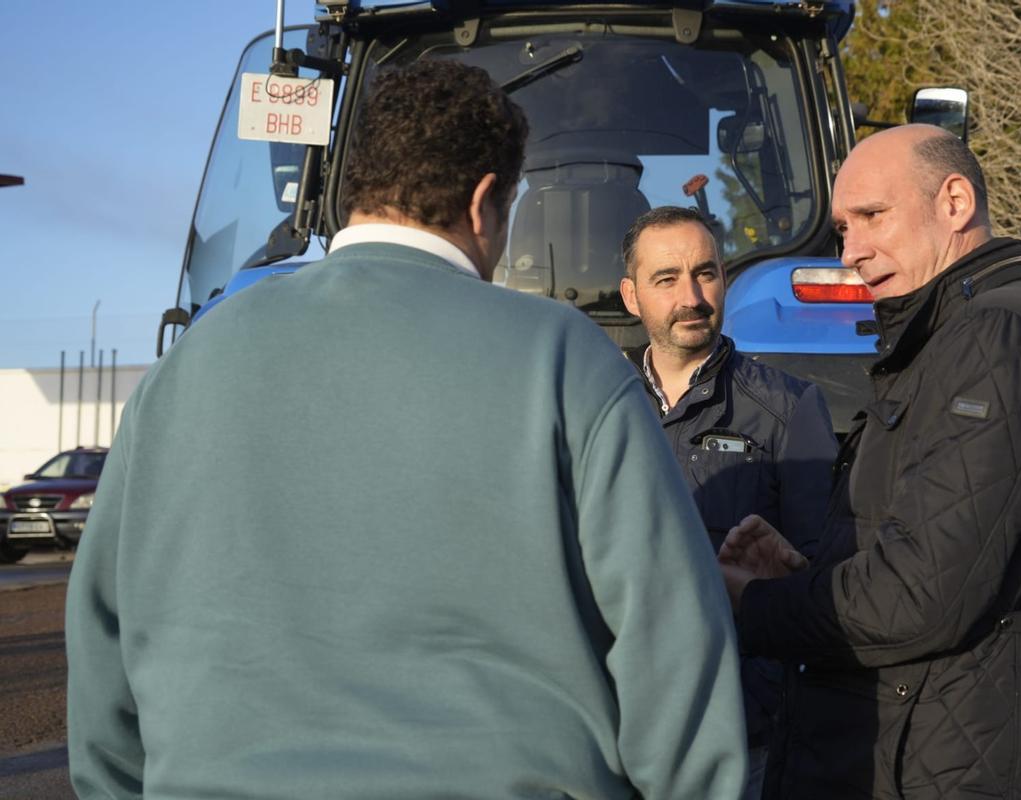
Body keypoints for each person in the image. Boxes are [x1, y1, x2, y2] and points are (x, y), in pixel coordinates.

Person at [66, 60, 748, 800]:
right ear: (485, 203)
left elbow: (102, 651)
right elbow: (670, 642)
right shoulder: (565, 359)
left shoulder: (181, 371)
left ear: (356, 184)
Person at [719, 124, 1021, 799]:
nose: (852, 253)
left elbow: (920, 597)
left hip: (940, 770)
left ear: (954, 202)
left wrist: (755, 603)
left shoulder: (998, 338)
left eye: (873, 216)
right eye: (843, 229)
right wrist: (809, 575)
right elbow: (929, 552)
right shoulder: (941, 344)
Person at [619, 206, 838, 798]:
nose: (691, 297)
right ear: (632, 296)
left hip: (741, 735)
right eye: (667, 279)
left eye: (705, 273)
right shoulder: (598, 408)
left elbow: (821, 578)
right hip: (620, 728)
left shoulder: (789, 410)